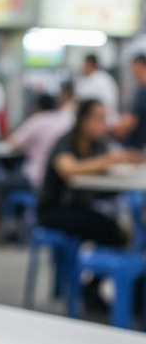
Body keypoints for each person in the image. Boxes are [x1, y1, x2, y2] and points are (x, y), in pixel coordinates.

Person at [38, 98, 141, 246]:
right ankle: (98, 267)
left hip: (78, 207)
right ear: (83, 120)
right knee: (107, 229)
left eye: (105, 118)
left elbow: (111, 160)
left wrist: (126, 158)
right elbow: (69, 169)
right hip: (53, 210)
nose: (103, 124)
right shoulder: (66, 141)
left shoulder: (98, 144)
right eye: (99, 118)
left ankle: (101, 266)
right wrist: (109, 161)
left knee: (114, 228)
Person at [7, 93, 75, 190]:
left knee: (1, 182)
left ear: (37, 107)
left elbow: (14, 144)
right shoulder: (68, 120)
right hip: (62, 181)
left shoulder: (37, 120)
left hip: (37, 178)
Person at [75, 54, 119, 126]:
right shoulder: (87, 79)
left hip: (102, 121)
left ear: (90, 64)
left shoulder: (100, 79)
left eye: (85, 64)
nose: (83, 67)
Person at [116, 54, 146, 149]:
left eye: (133, 67)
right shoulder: (139, 88)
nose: (132, 72)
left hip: (138, 144)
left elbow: (132, 120)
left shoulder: (142, 91)